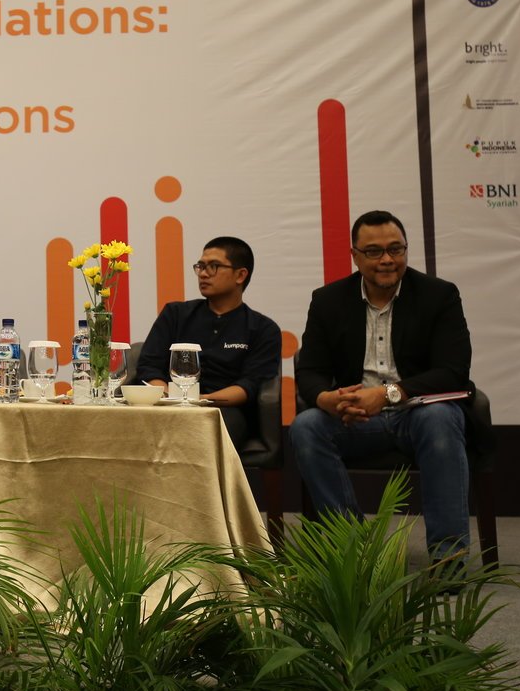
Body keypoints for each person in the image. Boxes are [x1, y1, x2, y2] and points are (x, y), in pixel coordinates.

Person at [291, 210, 474, 559]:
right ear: (355, 256)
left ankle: (448, 557)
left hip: (418, 413)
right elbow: (310, 370)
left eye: (396, 249)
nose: (387, 259)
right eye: (374, 251)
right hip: (356, 419)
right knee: (307, 426)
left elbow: (453, 371)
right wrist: (327, 399)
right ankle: (355, 548)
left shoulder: (439, 295)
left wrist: (387, 394)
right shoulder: (328, 300)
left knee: (440, 419)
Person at [135, 236, 282, 447]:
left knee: (202, 431)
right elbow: (149, 367)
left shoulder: (263, 329)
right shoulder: (175, 314)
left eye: (213, 266)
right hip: (168, 403)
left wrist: (200, 400)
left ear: (240, 275)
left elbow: (249, 386)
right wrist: (170, 399)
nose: (203, 274)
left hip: (224, 410)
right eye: (201, 266)